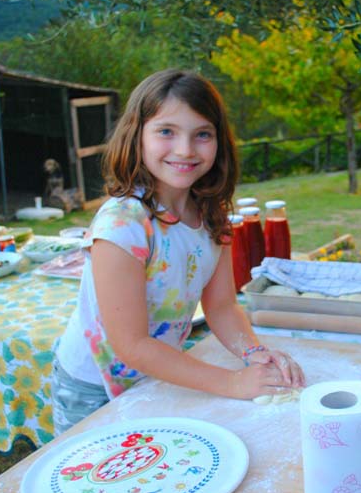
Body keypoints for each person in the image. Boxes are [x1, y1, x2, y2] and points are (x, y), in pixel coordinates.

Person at [51, 69, 305, 435]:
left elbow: (221, 306)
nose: (185, 149)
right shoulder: (123, 224)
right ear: (137, 136)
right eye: (166, 131)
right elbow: (132, 345)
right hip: (93, 388)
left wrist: (254, 354)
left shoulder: (211, 215)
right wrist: (233, 383)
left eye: (202, 134)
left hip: (158, 372)